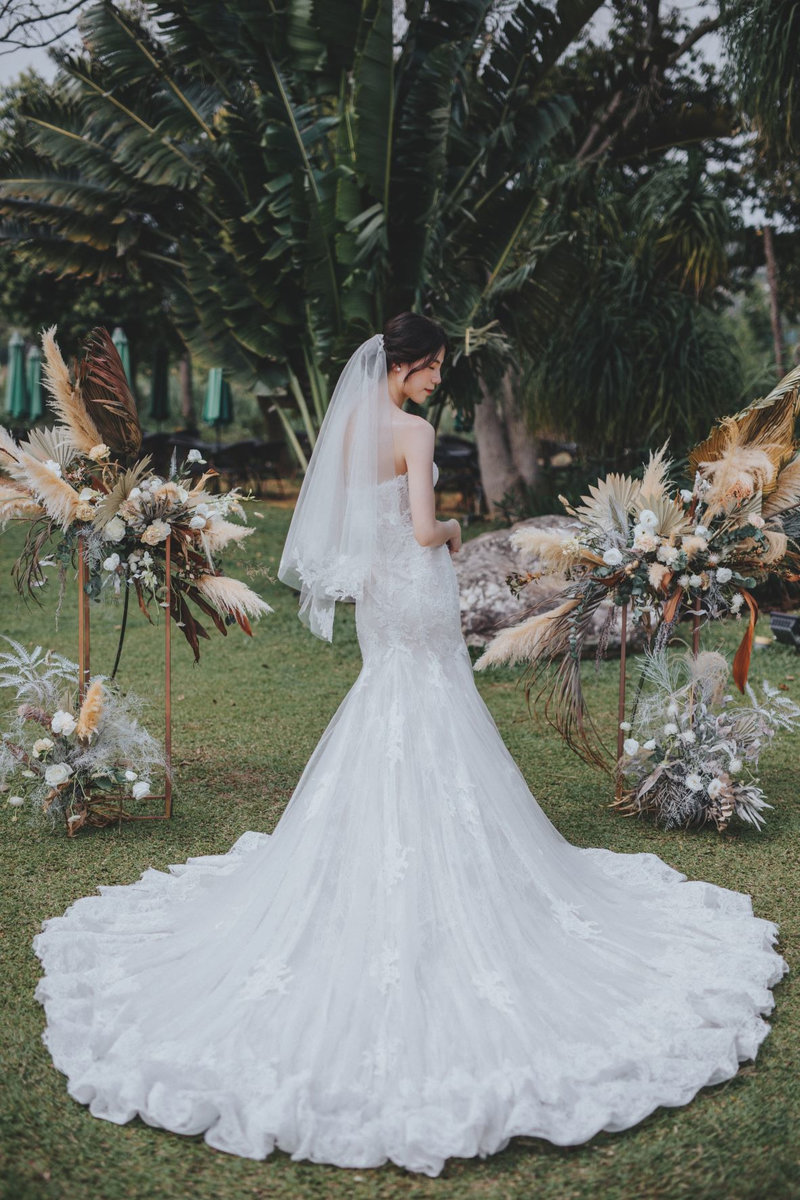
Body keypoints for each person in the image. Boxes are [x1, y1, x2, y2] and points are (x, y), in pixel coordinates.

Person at [33, 314, 787, 1178]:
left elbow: (355, 522)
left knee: (388, 701)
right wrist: (460, 537)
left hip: (379, 599)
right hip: (420, 585)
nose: (439, 383)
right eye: (434, 369)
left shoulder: (351, 423)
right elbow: (426, 527)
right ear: (409, 365)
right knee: (428, 704)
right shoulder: (416, 430)